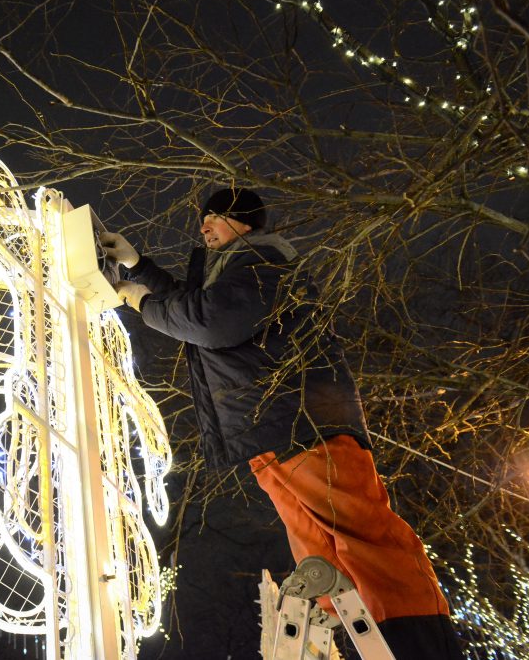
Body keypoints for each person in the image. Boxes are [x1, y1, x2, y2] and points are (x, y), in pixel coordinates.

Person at [102, 187, 463, 658]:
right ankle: (355, 645)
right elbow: (193, 304)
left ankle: (420, 646)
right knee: (322, 559)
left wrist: (143, 305)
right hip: (271, 433)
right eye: (203, 218)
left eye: (215, 217)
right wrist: (139, 268)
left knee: (363, 538)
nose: (204, 225)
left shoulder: (263, 261)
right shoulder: (235, 270)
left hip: (304, 422)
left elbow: (210, 321)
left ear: (244, 224)